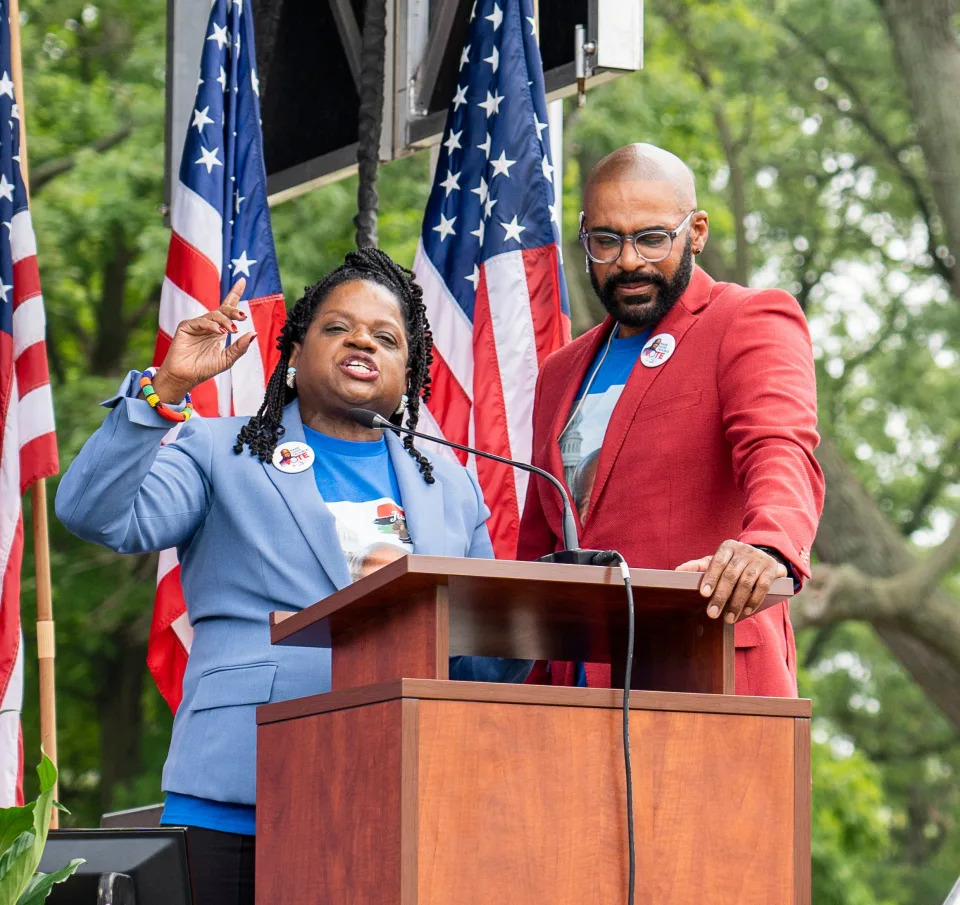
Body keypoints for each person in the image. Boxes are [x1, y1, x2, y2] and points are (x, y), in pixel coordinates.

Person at [56, 248, 522, 905]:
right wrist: (165, 392)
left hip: (401, 802)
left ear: (410, 373)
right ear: (295, 355)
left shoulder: (452, 484)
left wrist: (530, 626)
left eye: (386, 337)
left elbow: (475, 661)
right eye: (337, 328)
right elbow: (94, 512)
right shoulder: (218, 449)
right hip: (239, 794)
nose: (362, 339)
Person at [517, 143, 825, 696]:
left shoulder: (747, 318)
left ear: (697, 231)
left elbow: (779, 447)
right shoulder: (560, 372)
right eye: (606, 241)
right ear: (584, 235)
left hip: (704, 666)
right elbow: (539, 546)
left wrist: (769, 546)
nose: (629, 260)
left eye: (652, 238)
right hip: (570, 690)